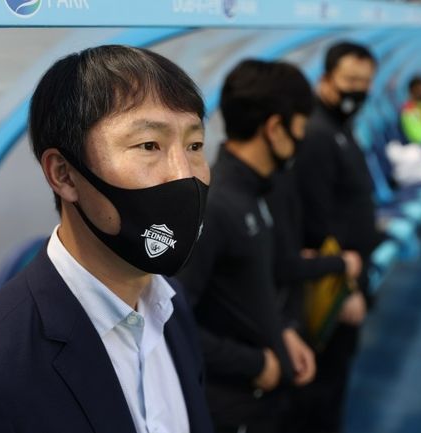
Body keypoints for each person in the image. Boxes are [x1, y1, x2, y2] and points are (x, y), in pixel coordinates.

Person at [0, 45, 214, 433]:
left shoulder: (169, 305)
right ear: (64, 174)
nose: (184, 174)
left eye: (195, 146)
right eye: (149, 145)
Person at [177, 59, 316, 433]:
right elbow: (170, 318)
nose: (302, 139)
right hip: (232, 405)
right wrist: (254, 363)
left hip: (262, 398)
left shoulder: (256, 192)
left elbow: (248, 289)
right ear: (274, 128)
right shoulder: (214, 207)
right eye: (300, 128)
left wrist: (282, 331)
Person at [293, 41, 379, 433]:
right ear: (326, 79)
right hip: (333, 283)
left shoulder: (340, 126)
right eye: (350, 80)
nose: (357, 90)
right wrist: (345, 288)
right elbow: (316, 222)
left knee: (336, 379)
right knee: (324, 388)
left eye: (365, 83)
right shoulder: (317, 133)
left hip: (350, 271)